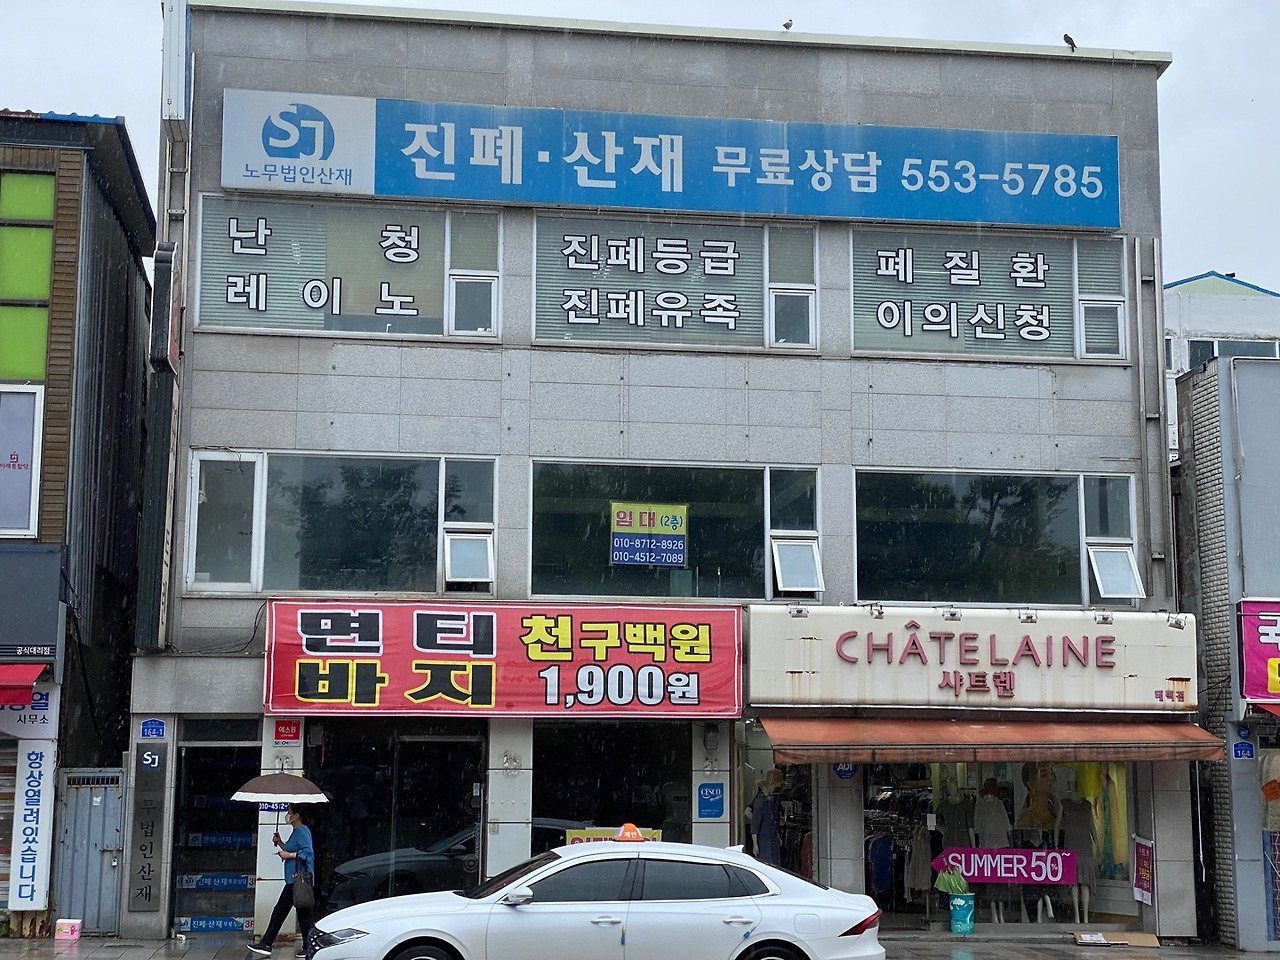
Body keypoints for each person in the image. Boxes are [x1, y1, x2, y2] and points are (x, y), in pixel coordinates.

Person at [248, 804, 315, 959]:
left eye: (290, 812)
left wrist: (288, 855)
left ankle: (267, 943)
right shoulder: (296, 831)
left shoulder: (302, 831)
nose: (287, 815)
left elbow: (308, 854)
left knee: (281, 912)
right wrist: (280, 843)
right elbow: (291, 849)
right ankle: (308, 947)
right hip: (293, 880)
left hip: (298, 880)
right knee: (302, 915)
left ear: (297, 815)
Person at [749, 768, 783, 865]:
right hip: (764, 839)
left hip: (772, 838)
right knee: (767, 862)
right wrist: (755, 843)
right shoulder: (760, 801)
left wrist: (777, 835)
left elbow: (773, 821)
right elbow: (755, 823)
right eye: (776, 785)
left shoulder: (772, 800)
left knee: (775, 863)